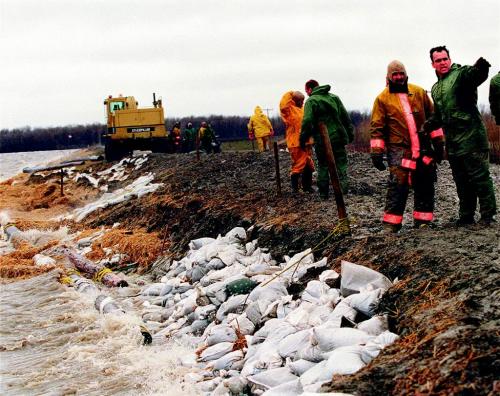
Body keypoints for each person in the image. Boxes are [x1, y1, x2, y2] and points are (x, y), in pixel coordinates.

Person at [423, 46, 497, 225]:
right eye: (438, 60)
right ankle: (466, 215)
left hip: (472, 139)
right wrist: (428, 125)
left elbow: (474, 76)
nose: (442, 63)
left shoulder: (461, 74)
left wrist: (480, 69)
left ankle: (488, 215)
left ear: (449, 59)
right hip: (454, 144)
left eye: (445, 59)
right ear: (432, 64)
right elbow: (440, 115)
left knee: (480, 178)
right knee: (461, 182)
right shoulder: (436, 88)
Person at [370, 60, 444, 233]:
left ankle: (423, 221)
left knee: (425, 183)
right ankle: (391, 224)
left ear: (406, 74)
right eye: (395, 74)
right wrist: (376, 152)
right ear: (388, 77)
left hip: (423, 149)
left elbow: (434, 120)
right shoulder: (382, 99)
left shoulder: (419, 92)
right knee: (398, 185)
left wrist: (439, 144)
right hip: (400, 151)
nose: (398, 77)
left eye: (401, 73)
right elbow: (377, 127)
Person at [300, 79, 354, 199]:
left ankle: (324, 194)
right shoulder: (334, 97)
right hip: (338, 137)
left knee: (323, 165)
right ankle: (343, 191)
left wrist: (303, 138)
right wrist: (350, 134)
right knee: (341, 163)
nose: (307, 94)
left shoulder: (311, 101)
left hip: (321, 140)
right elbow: (345, 117)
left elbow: (307, 121)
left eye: (306, 91)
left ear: (309, 89)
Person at [279, 91, 315, 193]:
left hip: (306, 143)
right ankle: (295, 189)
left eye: (303, 100)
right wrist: (291, 93)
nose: (302, 102)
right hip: (296, 144)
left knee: (309, 165)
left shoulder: (302, 109)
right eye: (300, 100)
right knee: (298, 166)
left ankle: (307, 187)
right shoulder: (288, 110)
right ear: (294, 100)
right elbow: (283, 105)